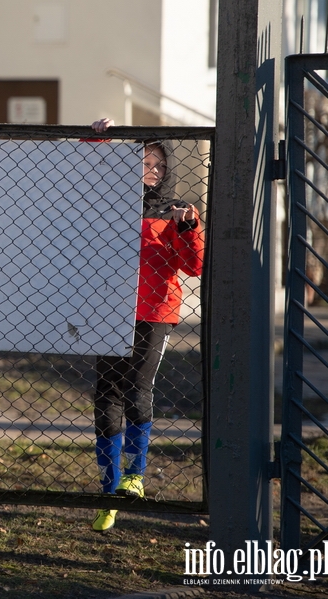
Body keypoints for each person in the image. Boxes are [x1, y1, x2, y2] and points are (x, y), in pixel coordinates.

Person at [87, 119, 205, 532]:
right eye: (141, 162)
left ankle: (135, 474)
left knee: (136, 386)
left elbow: (195, 267)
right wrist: (99, 137)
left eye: (157, 164)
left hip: (154, 311)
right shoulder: (106, 205)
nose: (150, 170)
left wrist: (188, 230)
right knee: (106, 393)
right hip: (109, 309)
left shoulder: (175, 212)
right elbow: (77, 167)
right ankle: (109, 487)